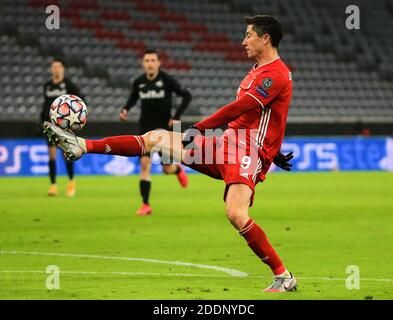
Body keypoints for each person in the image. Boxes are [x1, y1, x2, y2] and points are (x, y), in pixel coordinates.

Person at [43, 15, 296, 292]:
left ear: (266, 38)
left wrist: (201, 128)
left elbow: (241, 108)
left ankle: (283, 276)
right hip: (225, 142)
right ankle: (83, 146)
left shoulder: (275, 73)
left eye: (249, 35)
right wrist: (274, 148)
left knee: (236, 214)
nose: (243, 40)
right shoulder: (256, 69)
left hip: (246, 149)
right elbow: (267, 117)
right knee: (155, 138)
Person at [119, 49, 192, 216]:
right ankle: (145, 204)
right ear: (143, 64)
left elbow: (187, 96)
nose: (150, 63)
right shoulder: (139, 82)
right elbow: (132, 98)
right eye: (147, 61)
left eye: (153, 60)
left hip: (164, 131)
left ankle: (177, 170)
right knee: (145, 165)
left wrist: (176, 116)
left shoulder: (167, 80)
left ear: (158, 63)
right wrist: (125, 109)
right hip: (145, 129)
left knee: (167, 169)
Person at [40, 59, 83, 197]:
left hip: (64, 127)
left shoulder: (69, 85)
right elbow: (46, 104)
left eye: (59, 67)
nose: (56, 69)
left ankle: (71, 182)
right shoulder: (47, 86)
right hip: (50, 124)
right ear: (51, 69)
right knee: (51, 155)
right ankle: (53, 185)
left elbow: (80, 102)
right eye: (54, 67)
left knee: (67, 155)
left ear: (63, 69)